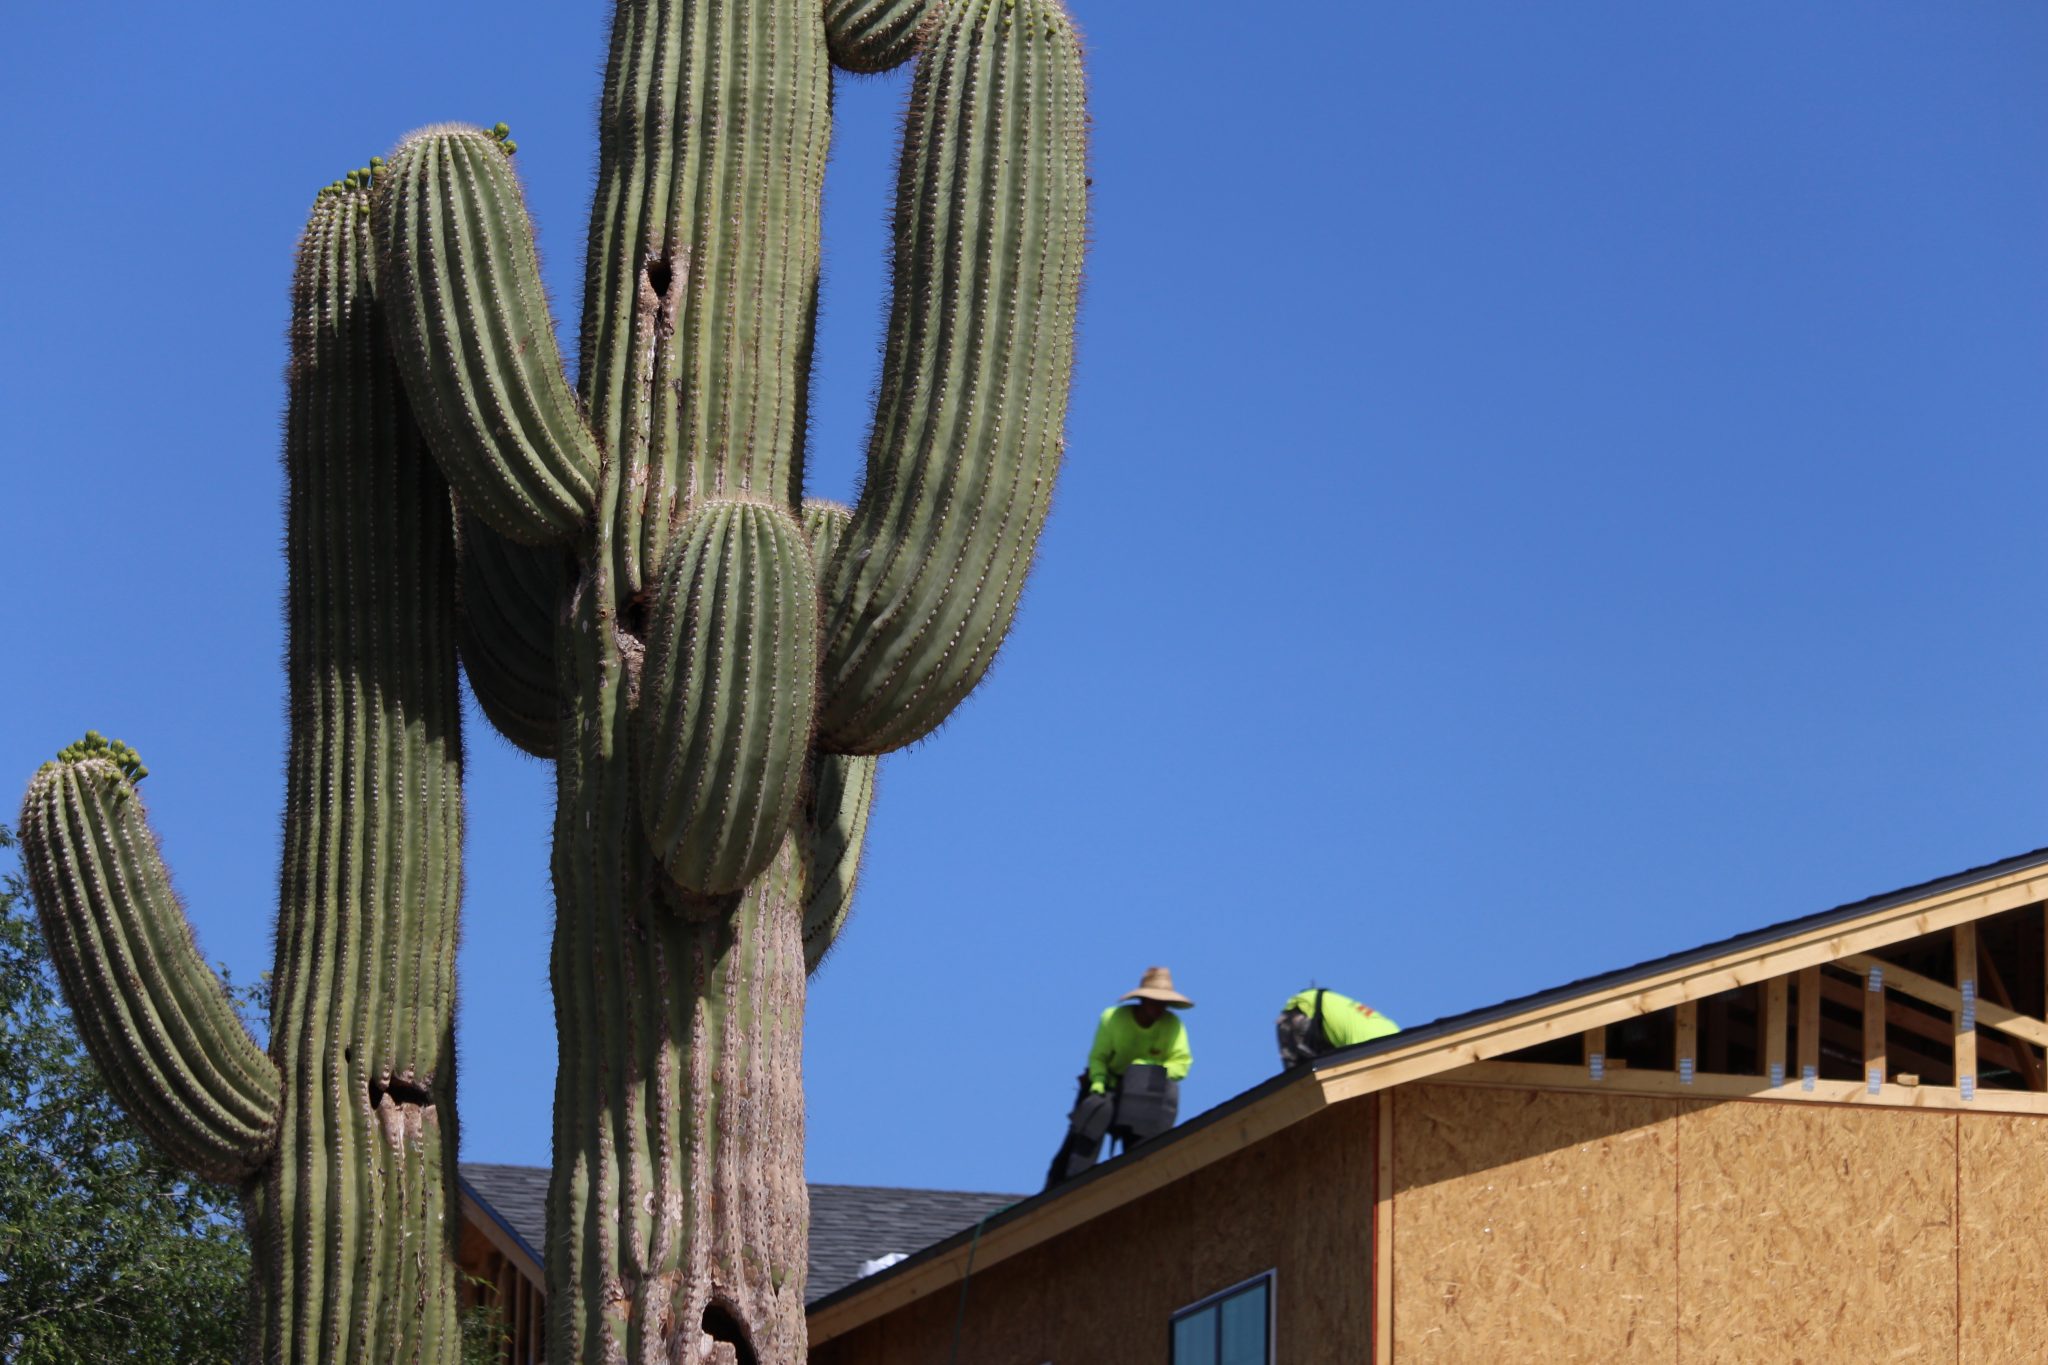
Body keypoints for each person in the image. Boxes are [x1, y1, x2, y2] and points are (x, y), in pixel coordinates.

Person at [1044, 967, 1193, 1188]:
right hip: (1109, 1086)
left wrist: (1146, 1069)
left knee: (1149, 1129)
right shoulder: (1113, 1018)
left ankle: (1143, 1178)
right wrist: (1097, 1083)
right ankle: (1068, 1185)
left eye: (1163, 1003)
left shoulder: (1173, 1025)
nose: (1159, 1008)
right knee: (1092, 1119)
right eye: (1154, 1002)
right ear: (1142, 1000)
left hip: (1147, 1093)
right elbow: (1098, 1057)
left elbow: (1181, 1063)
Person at [1275, 987, 1400, 1069]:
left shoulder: (1393, 1032)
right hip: (1302, 1012)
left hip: (1318, 1007)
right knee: (1300, 1082)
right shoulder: (1368, 1048)